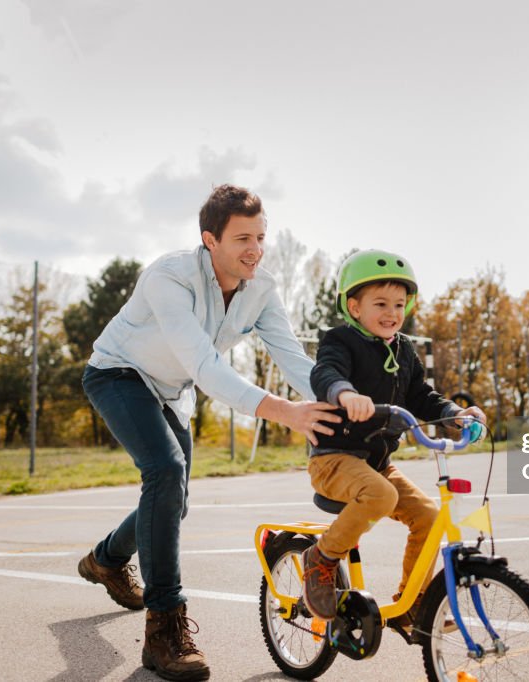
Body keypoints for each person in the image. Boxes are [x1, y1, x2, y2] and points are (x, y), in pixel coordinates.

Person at [78, 184, 340, 682]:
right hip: (118, 373)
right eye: (243, 238)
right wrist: (284, 411)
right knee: (166, 470)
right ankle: (164, 629)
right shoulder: (169, 276)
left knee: (173, 498)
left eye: (262, 237)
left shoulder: (260, 288)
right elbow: (202, 362)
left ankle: (106, 559)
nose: (255, 250)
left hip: (171, 390)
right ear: (209, 240)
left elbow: (294, 359)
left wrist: (337, 398)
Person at [301, 249, 486, 632]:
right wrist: (343, 393)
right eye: (380, 303)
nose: (392, 312)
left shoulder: (405, 351)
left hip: (377, 464)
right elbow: (326, 372)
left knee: (429, 517)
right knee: (381, 495)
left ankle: (412, 606)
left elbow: (422, 396)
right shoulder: (340, 340)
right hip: (334, 459)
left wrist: (454, 413)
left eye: (399, 304)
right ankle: (321, 558)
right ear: (354, 307)